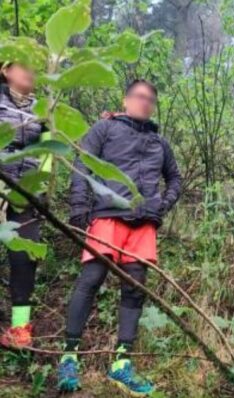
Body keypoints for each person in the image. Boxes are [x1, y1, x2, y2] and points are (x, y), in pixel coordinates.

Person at [57, 79, 181, 396]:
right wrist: (79, 207)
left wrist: (162, 204)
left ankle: (122, 364)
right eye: (140, 96)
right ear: (126, 100)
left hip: (144, 224)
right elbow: (82, 164)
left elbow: (175, 178)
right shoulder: (105, 129)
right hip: (107, 215)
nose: (145, 102)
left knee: (135, 290)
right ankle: (69, 356)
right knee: (91, 279)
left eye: (151, 99)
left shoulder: (159, 143)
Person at [0, 63, 47, 348]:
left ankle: (20, 329)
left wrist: (41, 189)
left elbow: (48, 152)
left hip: (26, 191)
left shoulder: (43, 110)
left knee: (25, 257)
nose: (31, 71)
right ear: (5, 71)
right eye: (23, 66)